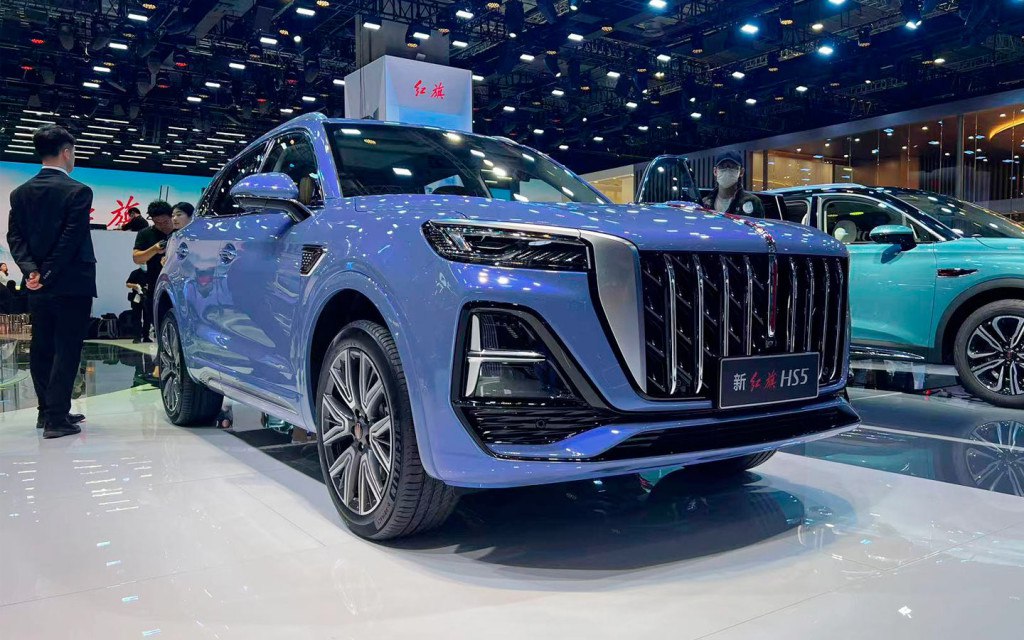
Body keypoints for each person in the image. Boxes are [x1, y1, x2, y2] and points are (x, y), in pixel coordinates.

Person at [7, 124, 95, 439]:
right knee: (67, 348)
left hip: (36, 285)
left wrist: (31, 271)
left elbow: (14, 237)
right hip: (71, 283)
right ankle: (57, 418)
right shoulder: (78, 191)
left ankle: (47, 411)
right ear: (66, 152)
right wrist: (47, 273)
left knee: (42, 346)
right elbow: (71, 239)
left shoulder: (20, 193)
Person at [131, 200, 174, 343]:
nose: (162, 226)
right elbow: (137, 258)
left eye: (165, 222)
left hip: (179, 286)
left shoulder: (180, 232)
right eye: (157, 222)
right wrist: (154, 249)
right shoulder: (145, 234)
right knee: (160, 327)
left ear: (171, 216)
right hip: (155, 287)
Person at [701, 150, 765, 218]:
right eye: (722, 166)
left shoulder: (753, 202)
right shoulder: (705, 203)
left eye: (732, 166)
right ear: (715, 171)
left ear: (741, 172)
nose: (727, 170)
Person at [125, 265, 149, 343]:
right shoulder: (135, 273)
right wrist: (135, 286)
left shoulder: (152, 273)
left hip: (148, 297)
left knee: (147, 318)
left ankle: (146, 336)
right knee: (136, 317)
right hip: (137, 297)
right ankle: (137, 337)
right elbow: (128, 284)